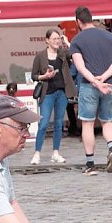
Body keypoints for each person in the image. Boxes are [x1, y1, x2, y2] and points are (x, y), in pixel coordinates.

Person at [69, 7, 112, 176]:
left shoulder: (76, 41)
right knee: (107, 120)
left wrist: (95, 81)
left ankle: (90, 164)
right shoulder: (111, 37)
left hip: (88, 85)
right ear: (92, 19)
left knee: (87, 123)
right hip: (110, 84)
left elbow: (80, 67)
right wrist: (104, 78)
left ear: (78, 21)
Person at [30, 28, 77, 165]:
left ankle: (55, 152)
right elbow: (34, 75)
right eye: (54, 39)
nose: (57, 41)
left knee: (59, 123)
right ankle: (37, 153)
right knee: (43, 123)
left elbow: (74, 54)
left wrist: (67, 42)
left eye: (58, 39)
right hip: (47, 92)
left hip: (61, 92)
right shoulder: (40, 56)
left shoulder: (63, 53)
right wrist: (44, 76)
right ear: (47, 40)